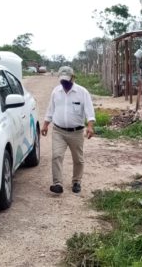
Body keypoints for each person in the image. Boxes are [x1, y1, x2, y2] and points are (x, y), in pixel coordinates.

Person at [41, 66, 95, 194]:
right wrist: (45, 124)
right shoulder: (56, 92)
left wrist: (90, 126)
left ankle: (76, 181)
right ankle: (57, 183)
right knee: (56, 156)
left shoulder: (82, 92)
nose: (64, 83)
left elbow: (89, 111)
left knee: (78, 159)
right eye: (62, 80)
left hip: (76, 132)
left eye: (66, 80)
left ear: (73, 78)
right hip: (58, 131)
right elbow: (50, 110)